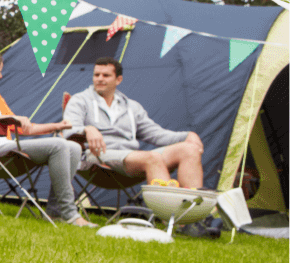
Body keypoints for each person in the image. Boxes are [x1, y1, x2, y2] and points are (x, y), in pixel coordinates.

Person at [0, 48, 95, 227]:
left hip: (6, 147)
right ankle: (70, 214)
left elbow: (22, 129)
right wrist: (10, 119)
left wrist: (57, 126)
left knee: (73, 147)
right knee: (59, 146)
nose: (1, 76)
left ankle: (55, 212)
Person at [62, 57, 204, 188]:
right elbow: (68, 128)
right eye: (96, 75)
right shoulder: (80, 100)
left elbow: (156, 134)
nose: (99, 79)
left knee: (189, 150)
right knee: (153, 158)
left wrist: (187, 136)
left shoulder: (132, 107)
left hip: (131, 159)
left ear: (118, 80)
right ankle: (169, 212)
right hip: (98, 158)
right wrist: (87, 129)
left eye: (105, 75)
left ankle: (193, 210)